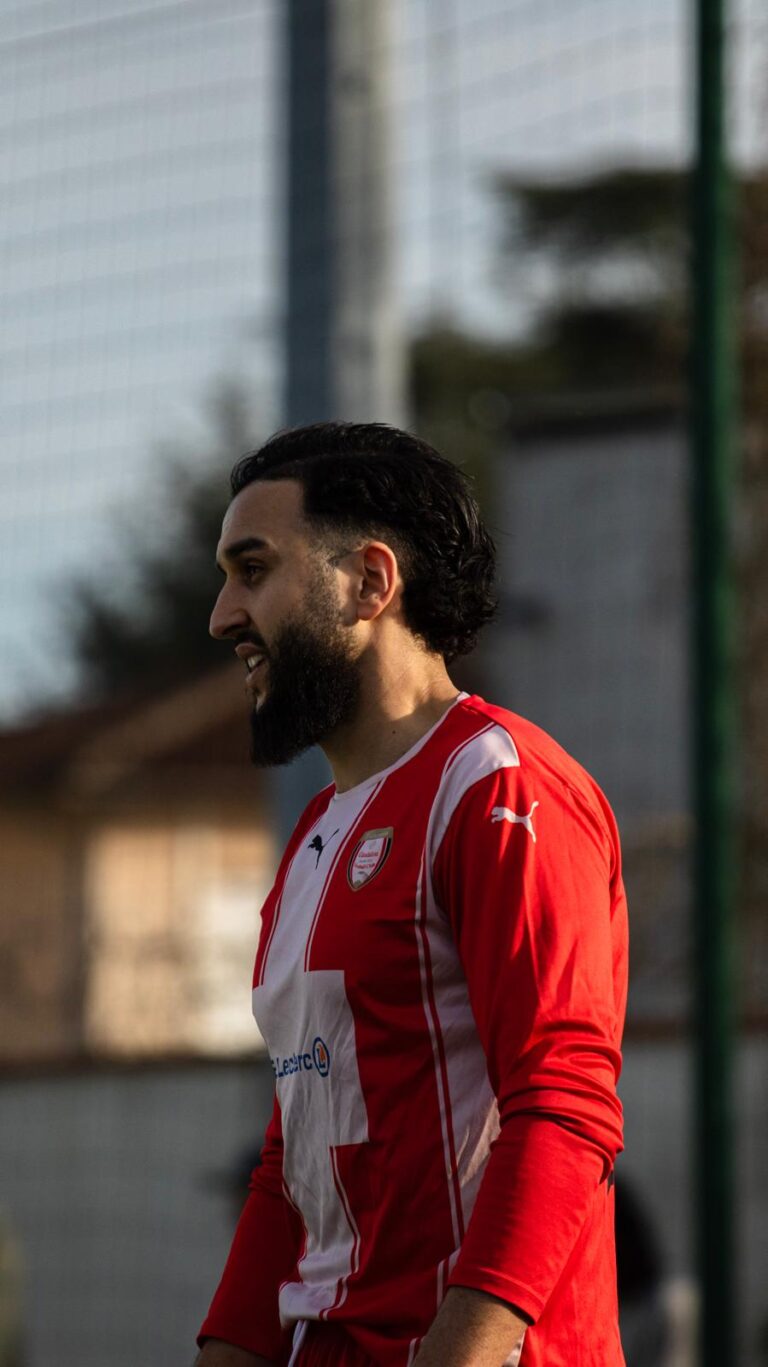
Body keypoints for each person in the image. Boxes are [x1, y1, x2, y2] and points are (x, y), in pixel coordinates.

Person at [195, 422, 628, 1367]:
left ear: (371, 582)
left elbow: (563, 1104)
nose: (224, 614)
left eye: (253, 568)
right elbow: (293, 1156)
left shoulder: (500, 786)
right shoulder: (314, 837)